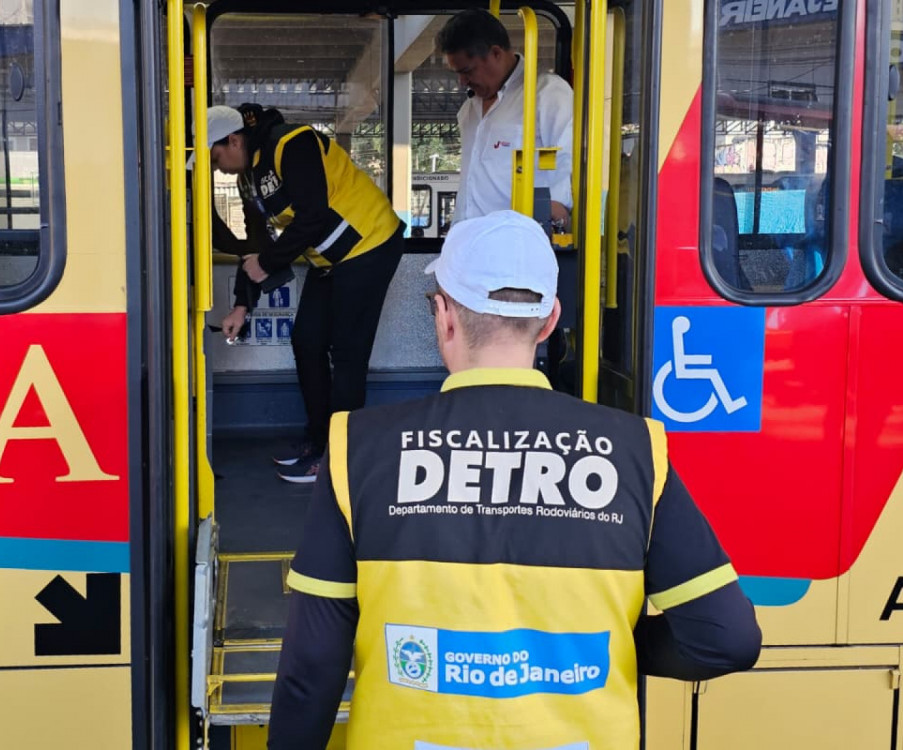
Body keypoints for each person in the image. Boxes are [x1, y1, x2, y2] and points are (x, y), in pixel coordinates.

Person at [267, 210, 762, 748]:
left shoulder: (357, 447)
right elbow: (727, 638)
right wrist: (611, 642)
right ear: (549, 322)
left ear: (444, 317)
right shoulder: (635, 450)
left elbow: (311, 669)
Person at [193, 104, 405, 483]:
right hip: (330, 261)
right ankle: (318, 440)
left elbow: (313, 215)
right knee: (306, 341)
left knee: (348, 353)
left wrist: (268, 261)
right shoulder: (249, 178)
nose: (217, 168)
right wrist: (242, 305)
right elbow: (257, 249)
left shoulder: (293, 143)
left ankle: (340, 460)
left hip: (370, 245)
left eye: (216, 157)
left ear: (234, 140)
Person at [438, 9, 574, 227]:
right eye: (458, 73)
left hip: (516, 236)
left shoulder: (546, 93)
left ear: (495, 53)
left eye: (468, 71)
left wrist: (556, 210)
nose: (462, 82)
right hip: (470, 235)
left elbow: (566, 155)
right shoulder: (469, 109)